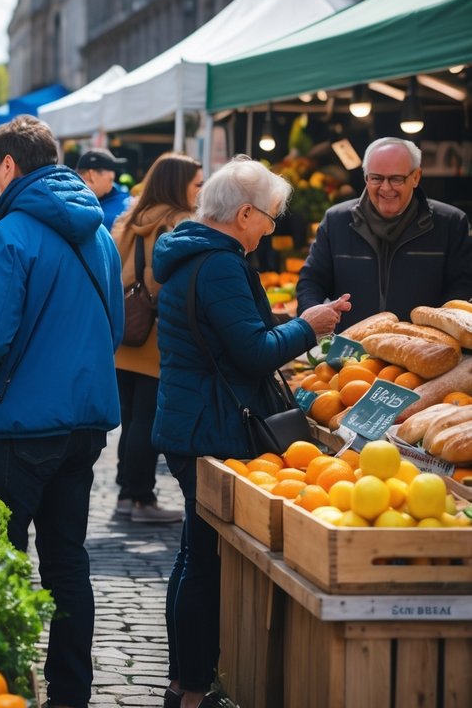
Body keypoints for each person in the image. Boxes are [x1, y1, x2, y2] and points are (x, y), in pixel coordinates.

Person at [152, 156, 350, 708]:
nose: (271, 227)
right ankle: (191, 688)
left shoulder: (198, 253)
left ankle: (183, 682)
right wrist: (307, 326)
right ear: (243, 214)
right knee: (202, 558)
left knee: (195, 552)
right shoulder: (219, 265)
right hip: (209, 426)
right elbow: (253, 352)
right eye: (269, 216)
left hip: (194, 420)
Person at [0, 116, 124, 708]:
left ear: (5, 167)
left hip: (21, 421)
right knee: (68, 560)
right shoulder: (98, 233)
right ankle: (71, 692)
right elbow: (115, 326)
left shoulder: (9, 233)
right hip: (85, 422)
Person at [111, 153, 204, 524]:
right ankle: (141, 499)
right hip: (155, 335)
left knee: (132, 417)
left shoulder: (129, 221)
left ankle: (125, 493)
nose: (201, 190)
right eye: (197, 183)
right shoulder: (178, 224)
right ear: (178, 184)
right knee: (147, 421)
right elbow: (169, 284)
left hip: (125, 332)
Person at [296, 136, 472, 332]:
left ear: (416, 177)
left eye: (396, 178)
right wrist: (311, 322)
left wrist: (438, 335)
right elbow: (311, 281)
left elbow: (461, 288)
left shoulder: (450, 223)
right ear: (366, 178)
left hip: (423, 350)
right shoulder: (335, 221)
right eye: (377, 178)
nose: (386, 188)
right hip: (349, 353)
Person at [76, 148, 132, 231]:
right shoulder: (129, 206)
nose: (112, 176)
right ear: (91, 175)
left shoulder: (72, 207)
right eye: (110, 170)